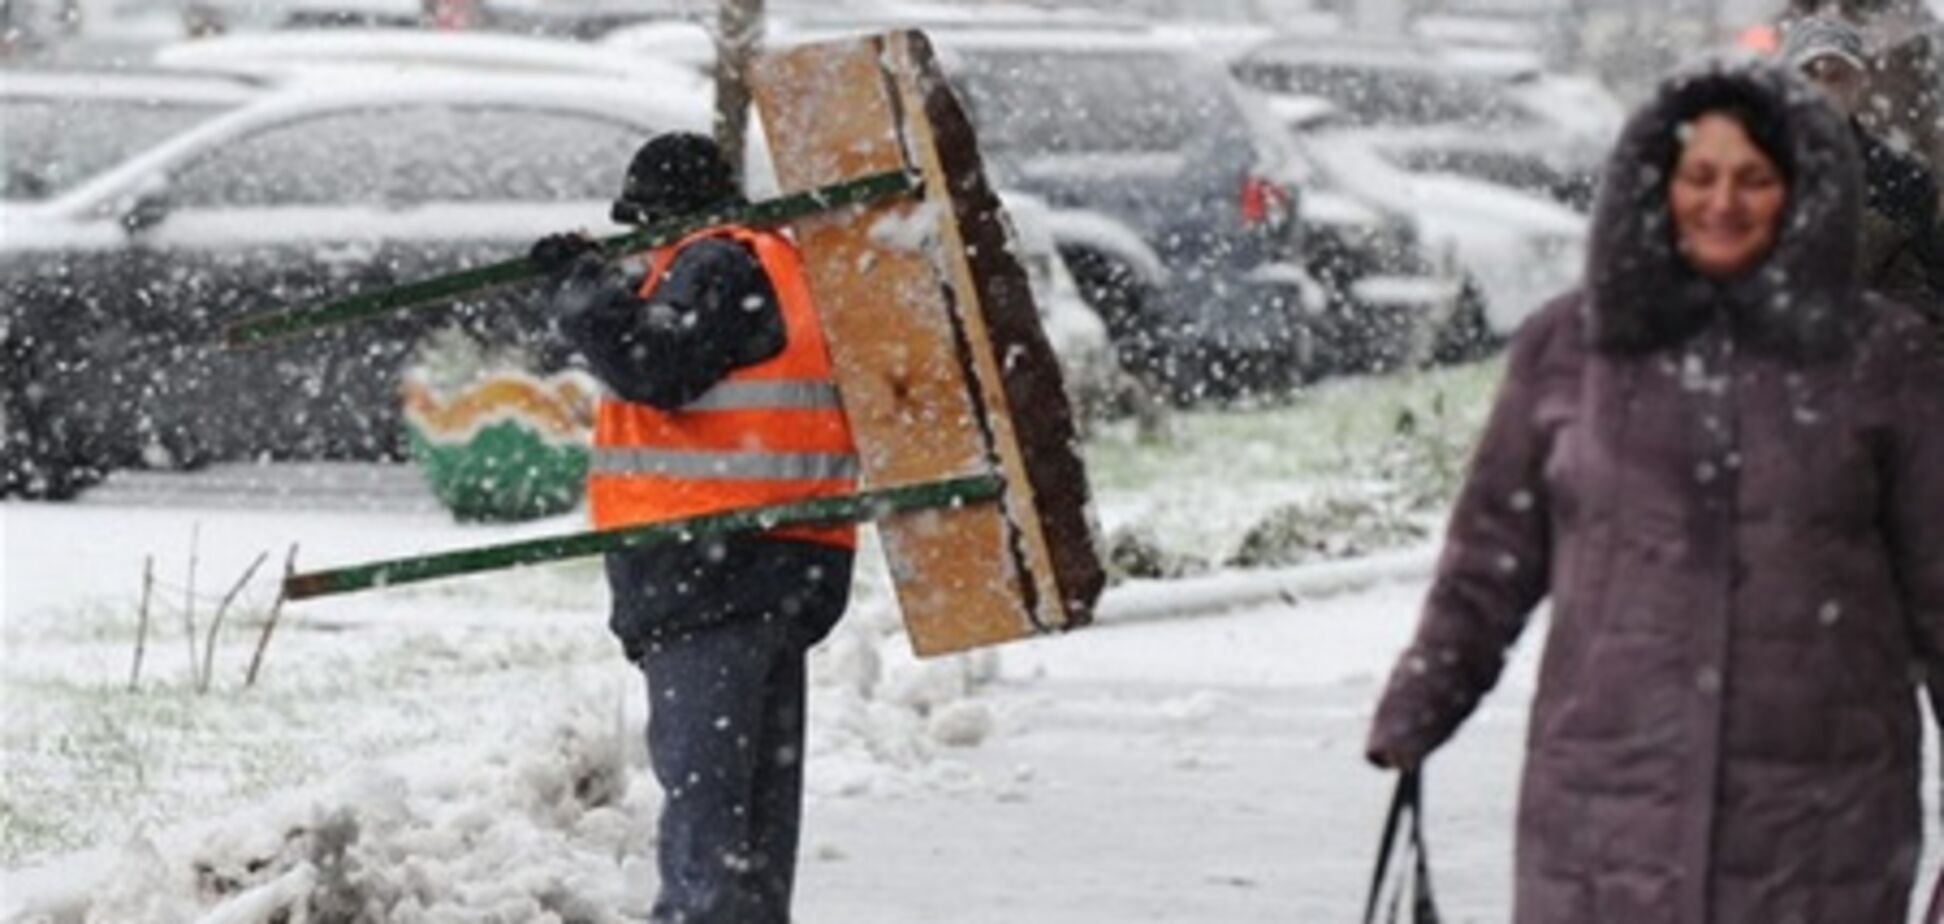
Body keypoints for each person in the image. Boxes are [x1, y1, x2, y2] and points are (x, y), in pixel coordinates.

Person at [1364, 61, 1944, 923]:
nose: (1723, 202)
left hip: (1819, 818)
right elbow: (1490, 557)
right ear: (1658, 186)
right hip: (1607, 802)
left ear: (1802, 193)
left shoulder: (1883, 361)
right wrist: (1425, 699)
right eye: (1699, 176)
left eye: (1754, 178)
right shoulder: (1572, 347)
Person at [529, 132, 857, 924]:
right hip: (783, 563)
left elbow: (657, 365)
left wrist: (582, 288)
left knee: (706, 813)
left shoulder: (714, 262)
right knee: (753, 815)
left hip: (710, 567)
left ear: (658, 215)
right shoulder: (775, 258)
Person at [1781, 14, 1944, 315]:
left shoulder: (1905, 180)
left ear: (1860, 83)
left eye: (1836, 76)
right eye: (1809, 75)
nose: (1821, 89)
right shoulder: (1754, 172)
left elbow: (1931, 296)